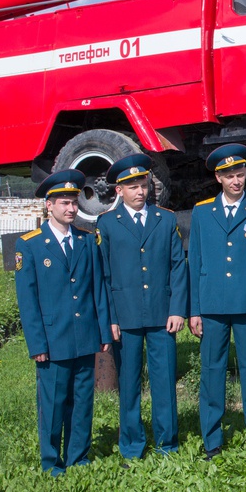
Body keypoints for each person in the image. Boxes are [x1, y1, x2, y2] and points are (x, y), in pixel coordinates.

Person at [13, 169, 112, 475]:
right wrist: (37, 344)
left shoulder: (86, 241)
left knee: (82, 402)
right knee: (54, 403)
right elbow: (27, 302)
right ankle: (52, 462)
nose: (71, 209)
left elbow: (98, 289)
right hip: (52, 341)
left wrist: (103, 330)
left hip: (84, 336)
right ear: (49, 206)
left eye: (74, 202)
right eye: (64, 203)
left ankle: (78, 458)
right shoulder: (29, 245)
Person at [188, 144, 246, 462]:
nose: (236, 181)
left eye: (240, 174)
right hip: (211, 308)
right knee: (212, 375)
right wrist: (194, 310)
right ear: (218, 178)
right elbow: (194, 262)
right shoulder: (202, 213)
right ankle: (212, 441)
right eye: (229, 176)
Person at [96, 154, 188, 462]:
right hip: (126, 317)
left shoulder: (165, 219)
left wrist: (177, 309)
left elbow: (178, 267)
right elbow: (104, 274)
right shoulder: (107, 223)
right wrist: (110, 318)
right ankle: (132, 445)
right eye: (132, 186)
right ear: (119, 190)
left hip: (163, 315)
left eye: (143, 184)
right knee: (129, 384)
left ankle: (167, 444)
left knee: (164, 382)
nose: (140, 191)